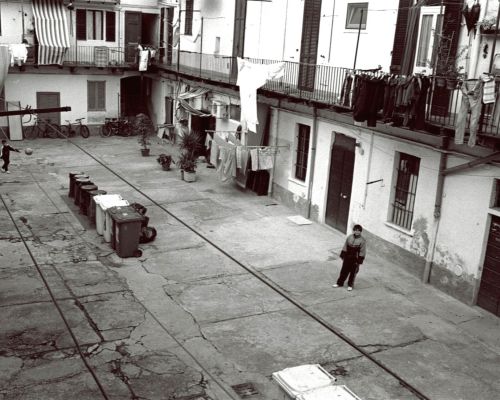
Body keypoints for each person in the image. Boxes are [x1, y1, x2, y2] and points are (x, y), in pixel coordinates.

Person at [333, 224, 366, 291]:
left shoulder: (362, 240)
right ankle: (339, 283)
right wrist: (343, 254)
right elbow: (345, 245)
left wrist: (359, 260)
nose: (357, 232)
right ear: (353, 231)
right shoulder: (349, 237)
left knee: (353, 272)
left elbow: (362, 251)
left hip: (355, 258)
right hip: (347, 257)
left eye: (358, 231)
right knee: (343, 270)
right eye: (355, 230)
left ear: (360, 231)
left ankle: (350, 285)